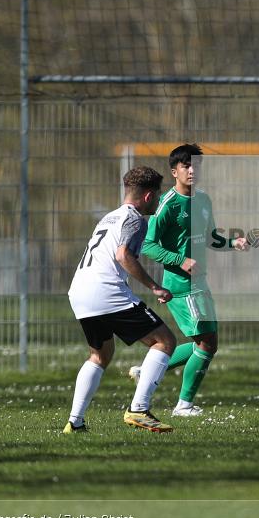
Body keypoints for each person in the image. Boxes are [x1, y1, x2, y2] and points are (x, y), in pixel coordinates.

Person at [130, 144, 249, 417]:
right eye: (187, 166)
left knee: (206, 342)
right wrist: (179, 260)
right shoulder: (168, 205)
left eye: (197, 165)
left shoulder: (204, 200)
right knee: (207, 343)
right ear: (175, 171)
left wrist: (233, 242)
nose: (193, 170)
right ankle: (183, 404)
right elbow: (148, 245)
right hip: (180, 286)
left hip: (200, 282)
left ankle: (147, 370)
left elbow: (210, 238)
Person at [64, 166, 177, 434]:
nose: (159, 201)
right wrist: (155, 287)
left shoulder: (108, 217)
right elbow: (124, 255)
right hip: (105, 291)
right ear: (148, 196)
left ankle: (75, 422)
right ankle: (139, 409)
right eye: (158, 196)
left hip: (79, 291)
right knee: (164, 341)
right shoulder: (136, 219)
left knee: (100, 354)